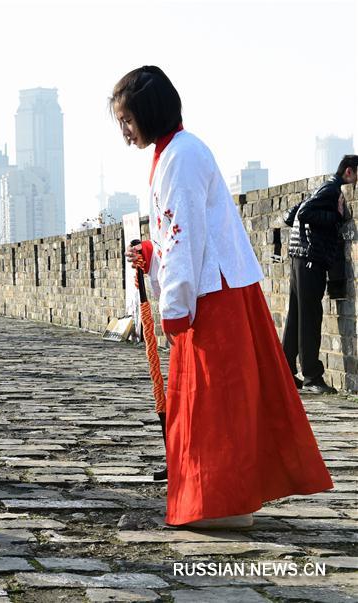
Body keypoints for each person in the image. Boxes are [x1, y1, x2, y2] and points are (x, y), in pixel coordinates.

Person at [114, 66, 332, 529]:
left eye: (127, 121)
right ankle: (218, 499)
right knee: (212, 401)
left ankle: (224, 503)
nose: (125, 132)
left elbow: (186, 237)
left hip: (213, 295)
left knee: (216, 402)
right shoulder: (173, 153)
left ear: (149, 113)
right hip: (210, 288)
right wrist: (152, 254)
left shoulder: (182, 157)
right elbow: (177, 236)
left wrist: (173, 305)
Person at [282, 155, 357, 394]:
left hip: (299, 257)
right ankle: (312, 376)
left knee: (296, 316)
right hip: (309, 259)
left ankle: (283, 372)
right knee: (310, 316)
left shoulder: (322, 187)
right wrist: (335, 216)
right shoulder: (331, 190)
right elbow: (303, 214)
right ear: (349, 172)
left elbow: (289, 216)